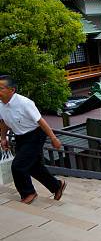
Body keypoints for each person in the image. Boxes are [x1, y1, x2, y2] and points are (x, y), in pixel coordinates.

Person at [0, 75, 66, 204]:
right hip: (20, 136)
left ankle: (28, 193)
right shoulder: (1, 104)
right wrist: (3, 138)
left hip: (35, 135)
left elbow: (41, 121)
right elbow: (4, 122)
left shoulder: (25, 103)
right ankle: (57, 186)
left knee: (18, 166)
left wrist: (53, 138)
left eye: (1, 88)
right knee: (33, 166)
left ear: (12, 90)